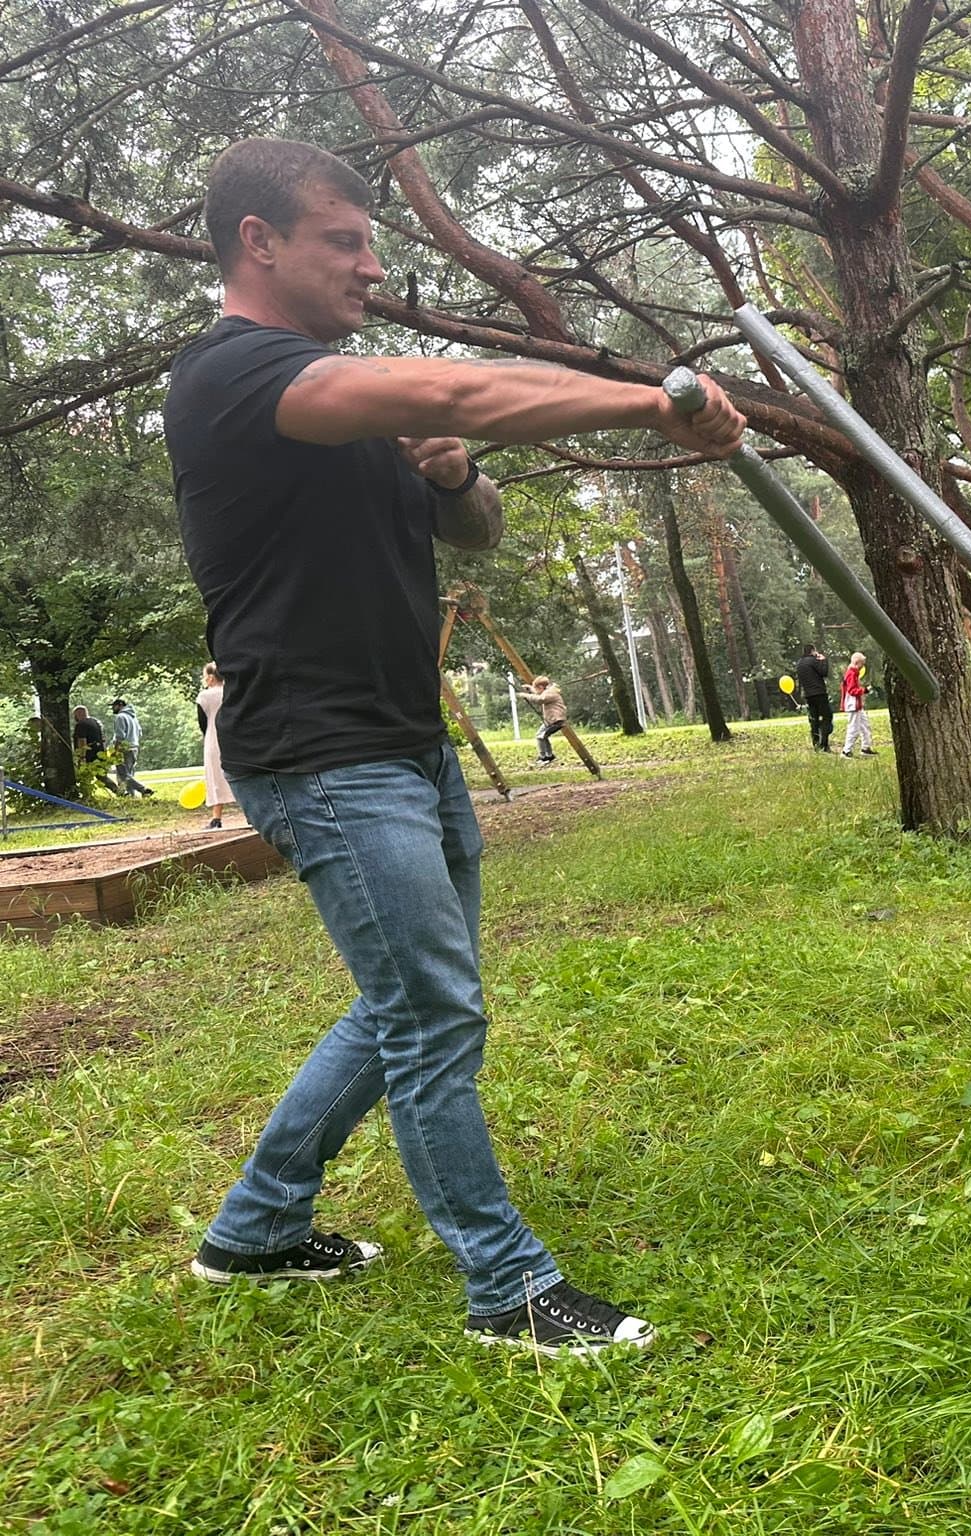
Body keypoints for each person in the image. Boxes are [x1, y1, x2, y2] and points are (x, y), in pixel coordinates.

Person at [165, 137, 744, 1356]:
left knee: (406, 1003)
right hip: (319, 751)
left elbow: (473, 525)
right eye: (344, 242)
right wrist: (661, 402)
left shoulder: (341, 394)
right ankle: (507, 1289)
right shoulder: (235, 375)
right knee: (431, 1011)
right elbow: (460, 389)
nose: (372, 268)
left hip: (401, 737)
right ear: (258, 242)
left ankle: (255, 1230)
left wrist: (449, 475)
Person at [196, 662, 233, 828]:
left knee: (215, 777)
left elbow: (202, 722)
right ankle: (250, 815)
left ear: (210, 678)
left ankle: (216, 818)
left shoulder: (204, 696)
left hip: (213, 737)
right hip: (234, 736)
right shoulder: (231, 691)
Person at [107, 699, 155, 797]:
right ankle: (131, 797)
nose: (112, 708)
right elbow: (139, 733)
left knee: (123, 775)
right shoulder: (133, 718)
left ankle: (144, 790)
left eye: (114, 706)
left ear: (120, 705)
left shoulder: (120, 717)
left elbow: (119, 736)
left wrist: (116, 751)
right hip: (134, 748)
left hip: (124, 749)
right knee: (129, 774)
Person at [519, 674, 569, 765]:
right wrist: (531, 689)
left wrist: (526, 695)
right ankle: (549, 755)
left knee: (540, 736)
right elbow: (540, 694)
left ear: (541, 687)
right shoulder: (548, 691)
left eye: (537, 688)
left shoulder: (551, 693)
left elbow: (540, 699)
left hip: (556, 720)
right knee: (541, 736)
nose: (536, 691)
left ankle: (544, 757)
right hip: (550, 721)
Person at [793, 644, 833, 752]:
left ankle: (816, 744)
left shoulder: (799, 663)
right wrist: (823, 661)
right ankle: (824, 744)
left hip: (808, 695)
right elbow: (824, 672)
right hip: (819, 693)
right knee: (827, 717)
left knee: (814, 719)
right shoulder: (813, 661)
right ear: (812, 651)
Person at [841, 651, 876, 756]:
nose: (863, 666)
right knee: (854, 728)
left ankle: (865, 748)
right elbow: (852, 690)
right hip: (853, 705)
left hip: (858, 705)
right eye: (862, 664)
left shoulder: (855, 673)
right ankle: (846, 751)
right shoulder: (851, 674)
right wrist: (864, 690)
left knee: (865, 726)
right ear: (857, 662)